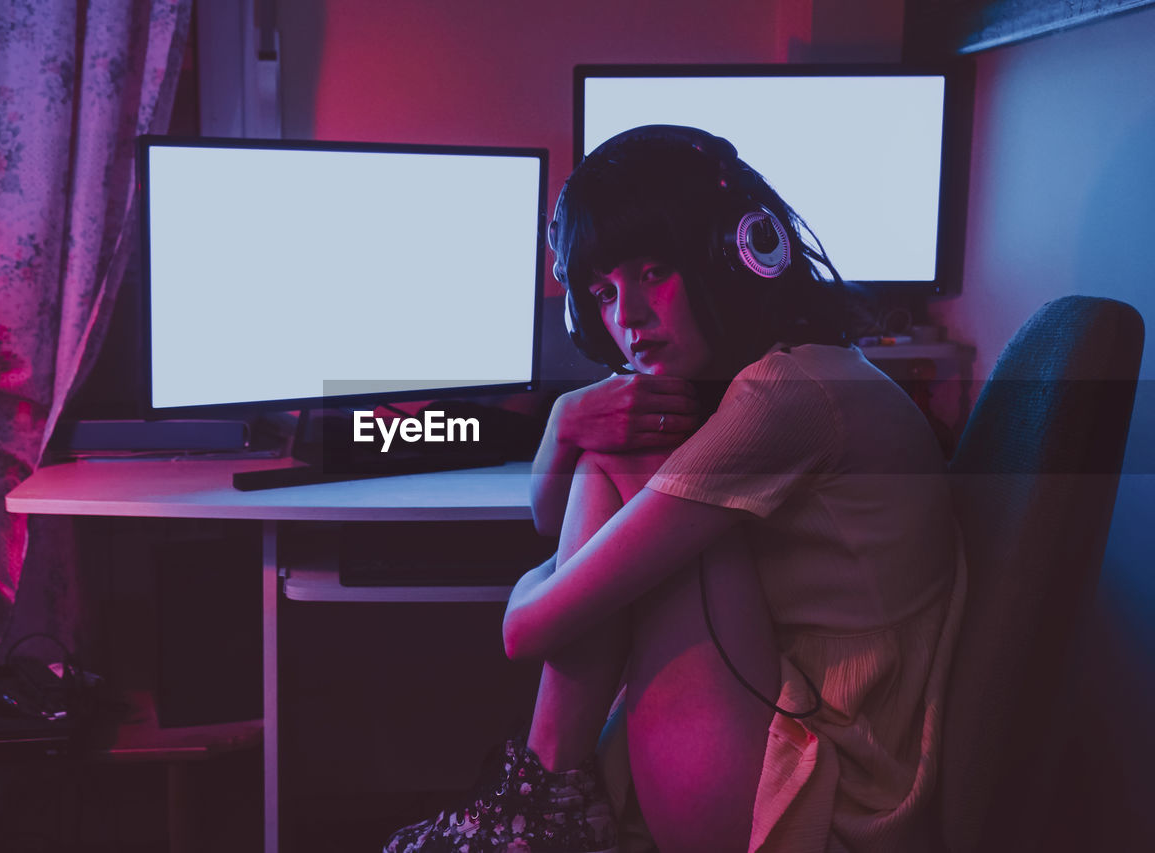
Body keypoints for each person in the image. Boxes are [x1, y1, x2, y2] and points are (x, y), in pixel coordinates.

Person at [382, 126, 965, 853]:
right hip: (809, 728)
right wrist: (564, 423)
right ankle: (539, 808)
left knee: (631, 459)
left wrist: (534, 584)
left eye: (653, 271)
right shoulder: (798, 370)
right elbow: (549, 517)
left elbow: (525, 630)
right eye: (601, 292)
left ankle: (536, 808)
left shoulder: (784, 396)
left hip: (827, 802)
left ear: (735, 255)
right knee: (622, 457)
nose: (626, 316)